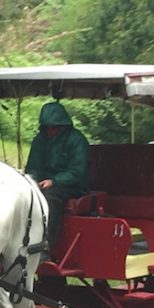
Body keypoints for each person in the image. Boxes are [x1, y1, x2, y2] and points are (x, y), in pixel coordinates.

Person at [25, 101, 89, 257]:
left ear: (63, 125)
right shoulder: (40, 140)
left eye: (54, 127)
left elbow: (77, 172)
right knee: (24, 196)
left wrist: (54, 181)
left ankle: (46, 245)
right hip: (44, 183)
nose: (50, 130)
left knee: (49, 198)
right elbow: (34, 165)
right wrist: (31, 181)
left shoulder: (77, 140)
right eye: (47, 127)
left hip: (72, 186)